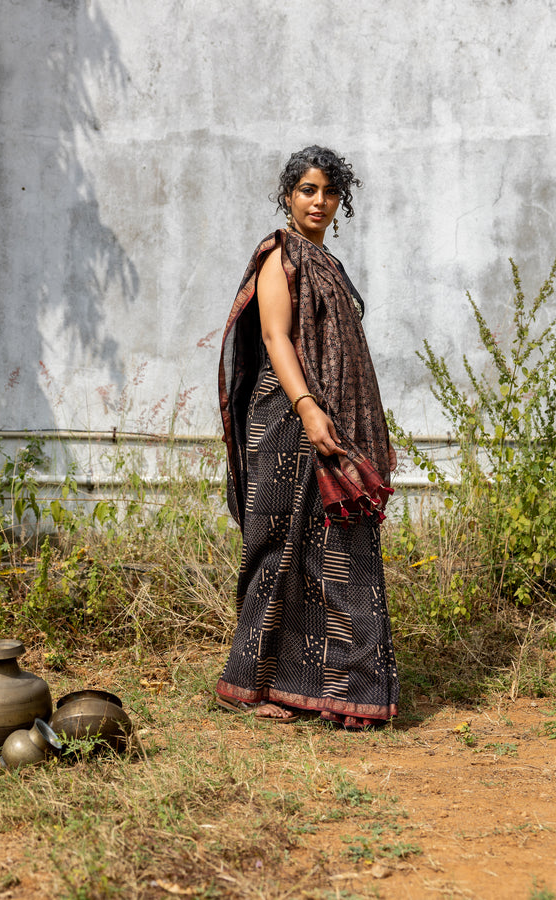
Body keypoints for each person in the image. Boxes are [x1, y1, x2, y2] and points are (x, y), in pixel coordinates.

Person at [216, 146, 399, 729]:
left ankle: (331, 688)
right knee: (277, 548)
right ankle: (249, 683)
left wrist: (337, 416)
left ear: (340, 200)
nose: (318, 202)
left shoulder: (329, 264)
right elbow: (275, 336)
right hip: (286, 417)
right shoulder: (281, 256)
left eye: (329, 192)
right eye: (307, 190)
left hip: (327, 421)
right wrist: (308, 407)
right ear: (288, 195)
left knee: (336, 555)